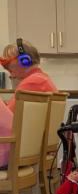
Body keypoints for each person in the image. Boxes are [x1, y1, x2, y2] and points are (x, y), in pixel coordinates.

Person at [0, 39, 58, 168]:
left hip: (17, 154)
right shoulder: (42, 79)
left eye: (8, 63)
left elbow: (9, 122)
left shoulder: (31, 83)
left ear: (24, 60)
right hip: (34, 149)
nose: (6, 68)